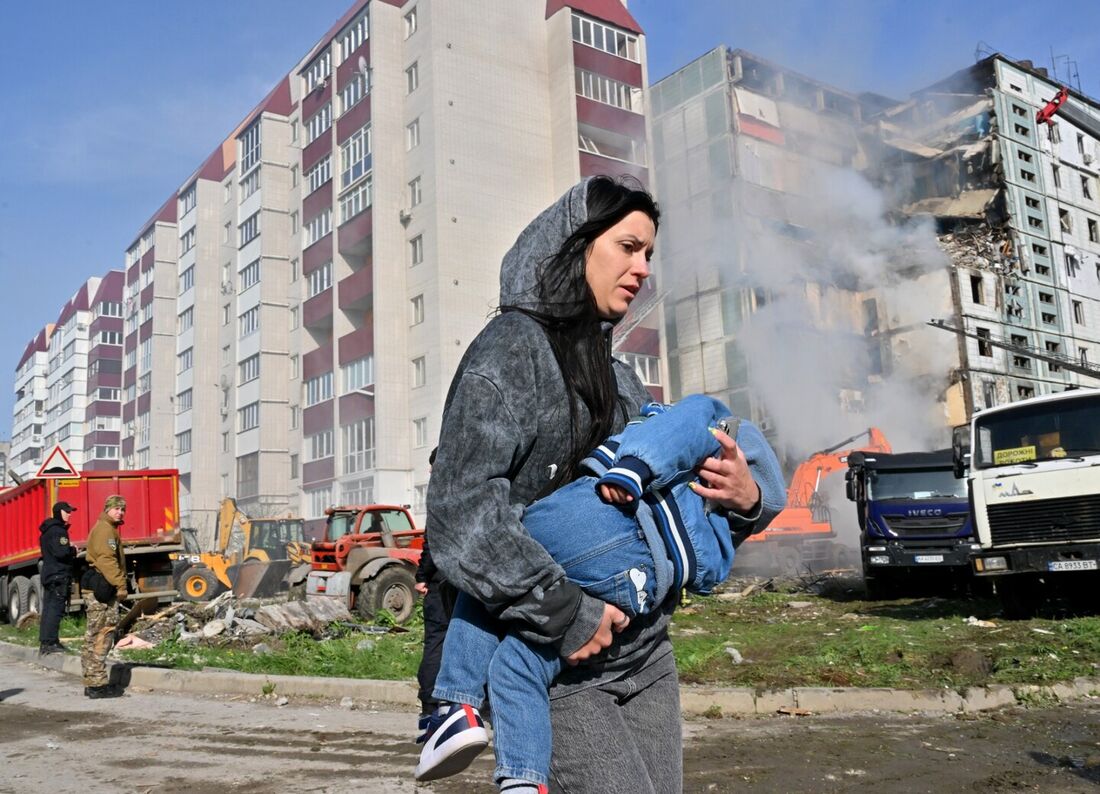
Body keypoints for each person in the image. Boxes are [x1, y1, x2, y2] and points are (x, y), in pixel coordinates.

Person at [422, 175, 766, 794]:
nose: (642, 269)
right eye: (628, 247)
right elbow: (463, 514)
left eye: (650, 255)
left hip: (647, 656)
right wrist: (567, 613)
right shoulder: (509, 353)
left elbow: (671, 501)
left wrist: (746, 499)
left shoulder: (619, 378)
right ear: (575, 247)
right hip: (555, 659)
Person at [416, 395, 786, 786]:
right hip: (637, 587)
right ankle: (522, 779)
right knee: (516, 663)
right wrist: (752, 503)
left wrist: (634, 468)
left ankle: (456, 705)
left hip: (606, 526)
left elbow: (685, 423)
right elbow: (716, 556)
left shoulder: (721, 423)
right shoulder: (712, 508)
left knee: (497, 555)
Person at [415, 448, 459, 718]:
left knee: (436, 639)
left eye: (432, 466)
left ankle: (431, 704)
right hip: (467, 580)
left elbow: (432, 545)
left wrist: (422, 576)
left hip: (441, 581)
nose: (429, 471)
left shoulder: (439, 495)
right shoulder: (469, 490)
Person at [81, 494, 129, 699]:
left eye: (122, 509)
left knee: (95, 634)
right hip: (102, 587)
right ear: (107, 509)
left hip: (98, 586)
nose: (120, 512)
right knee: (101, 634)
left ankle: (93, 681)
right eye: (116, 508)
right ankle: (96, 685)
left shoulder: (105, 528)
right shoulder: (105, 530)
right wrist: (121, 585)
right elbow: (107, 561)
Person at [38, 501, 78, 654]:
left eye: (70, 511)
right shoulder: (58, 531)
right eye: (66, 511)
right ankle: (51, 642)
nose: (69, 514)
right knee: (55, 609)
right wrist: (72, 550)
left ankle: (46, 641)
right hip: (58, 574)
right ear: (58, 512)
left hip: (50, 573)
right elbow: (61, 553)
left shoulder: (47, 530)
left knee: (48, 608)